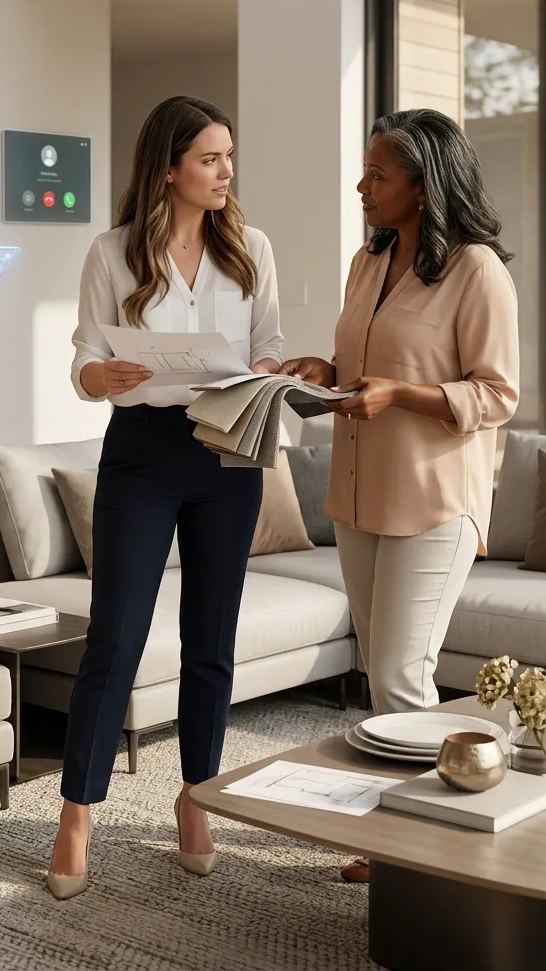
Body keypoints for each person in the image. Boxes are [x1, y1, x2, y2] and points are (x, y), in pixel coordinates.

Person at [46, 96, 284, 900]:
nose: (226, 172)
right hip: (141, 452)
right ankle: (76, 813)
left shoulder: (251, 249)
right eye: (210, 158)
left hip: (228, 451)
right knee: (114, 638)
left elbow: (269, 346)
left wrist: (267, 375)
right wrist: (100, 375)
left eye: (228, 157)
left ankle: (196, 798)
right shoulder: (111, 252)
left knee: (210, 641)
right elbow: (82, 360)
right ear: (170, 167)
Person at [281, 108, 519, 883]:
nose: (362, 186)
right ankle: (404, 832)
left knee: (399, 674)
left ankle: (414, 854)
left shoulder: (477, 270)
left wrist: (402, 396)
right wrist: (324, 370)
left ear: (423, 186)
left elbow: (498, 394)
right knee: (379, 672)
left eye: (377, 175)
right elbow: (363, 365)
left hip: (433, 500)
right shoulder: (368, 260)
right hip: (359, 495)